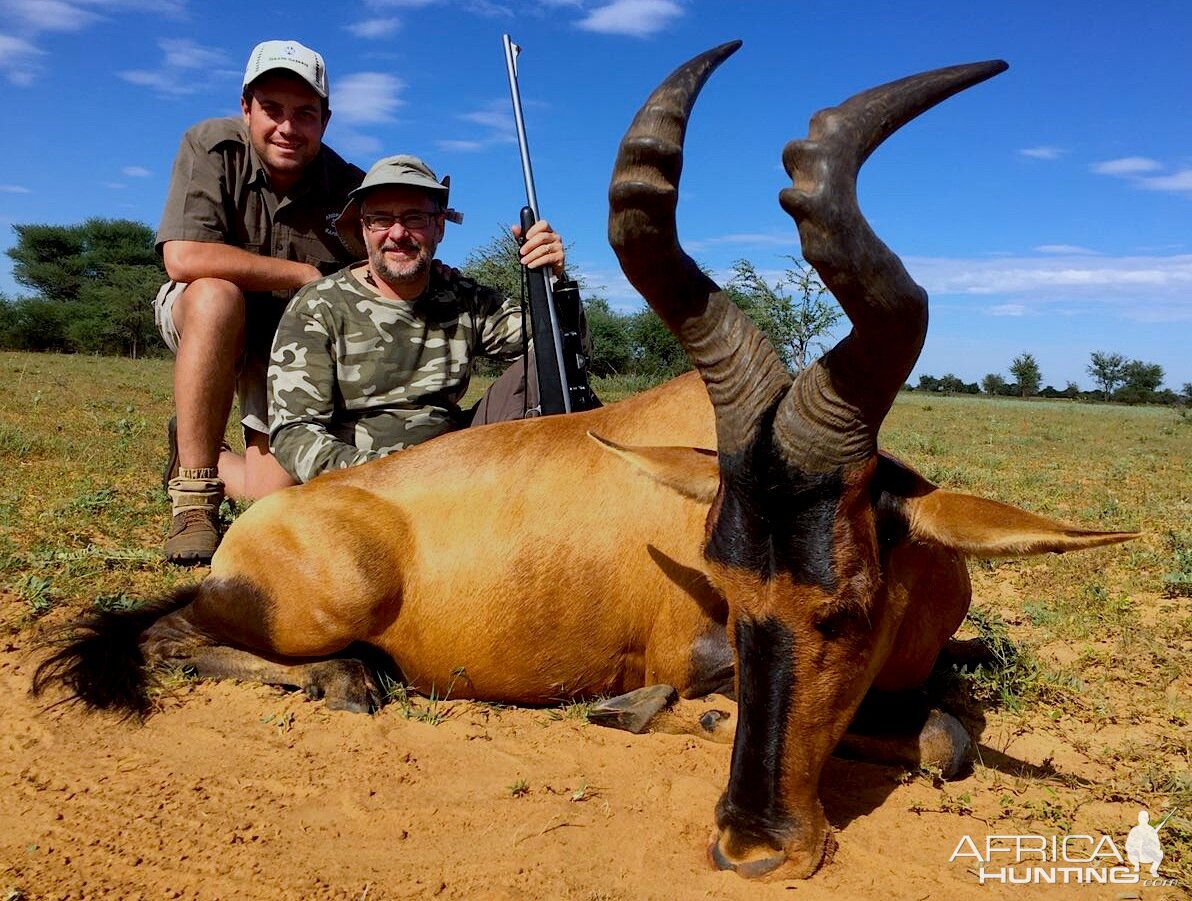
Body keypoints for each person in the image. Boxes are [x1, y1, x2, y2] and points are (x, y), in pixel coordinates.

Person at [153, 39, 363, 565]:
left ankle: (199, 451)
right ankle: (195, 501)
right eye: (272, 110)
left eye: (305, 114)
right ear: (246, 108)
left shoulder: (350, 186)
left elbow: (383, 269)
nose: (288, 127)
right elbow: (181, 257)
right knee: (216, 296)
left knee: (275, 497)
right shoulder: (209, 146)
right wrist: (303, 274)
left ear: (325, 120)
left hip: (288, 341)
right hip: (207, 314)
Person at [268, 154, 568, 484]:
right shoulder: (318, 306)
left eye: (414, 218)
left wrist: (553, 280)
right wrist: (396, 477)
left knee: (550, 362)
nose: (398, 233)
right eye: (381, 219)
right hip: (367, 484)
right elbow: (294, 432)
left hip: (457, 464)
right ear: (363, 229)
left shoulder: (463, 297)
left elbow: (565, 347)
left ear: (439, 227)